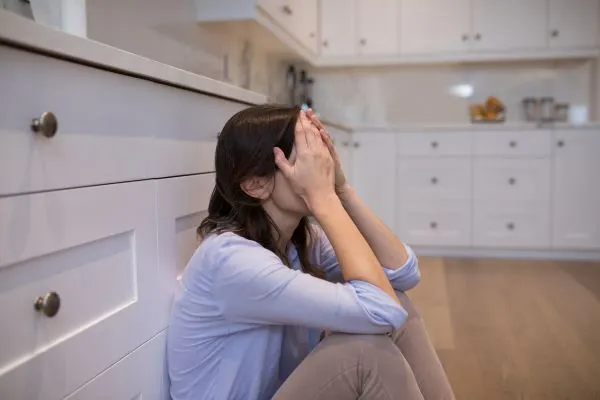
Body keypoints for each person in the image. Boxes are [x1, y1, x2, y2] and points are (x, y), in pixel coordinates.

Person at [167, 105, 455, 400]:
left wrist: (342, 190)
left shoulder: (299, 240)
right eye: (305, 159)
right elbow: (381, 311)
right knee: (363, 354)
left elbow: (403, 273)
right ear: (256, 184)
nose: (320, 168)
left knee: (400, 306)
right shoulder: (232, 260)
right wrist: (324, 198)